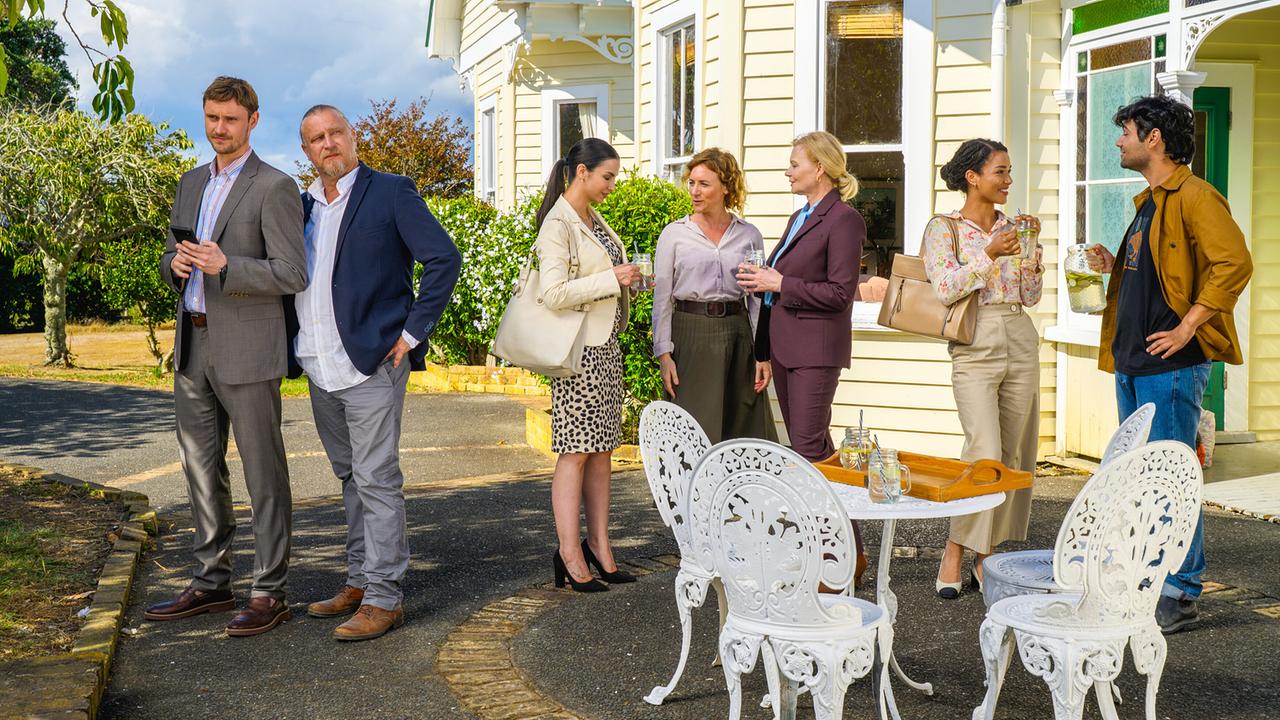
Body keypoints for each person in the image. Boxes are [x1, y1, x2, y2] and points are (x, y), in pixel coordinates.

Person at [290, 105, 461, 641]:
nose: (328, 144)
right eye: (316, 139)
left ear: (353, 136)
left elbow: (443, 258)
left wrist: (411, 335)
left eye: (335, 133)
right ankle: (360, 580)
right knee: (350, 479)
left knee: (377, 480)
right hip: (318, 364)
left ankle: (386, 597)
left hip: (371, 365)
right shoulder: (300, 208)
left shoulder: (390, 192)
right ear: (307, 151)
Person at [146, 76, 307, 636]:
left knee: (264, 472)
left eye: (230, 119)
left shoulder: (275, 186)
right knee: (199, 467)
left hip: (248, 347)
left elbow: (293, 273)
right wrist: (177, 266)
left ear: (253, 121)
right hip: (191, 344)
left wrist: (226, 267)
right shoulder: (191, 182)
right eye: (212, 117)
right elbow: (172, 251)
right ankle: (212, 582)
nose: (219, 128)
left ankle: (270, 591)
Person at [1087, 95, 1252, 633]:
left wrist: (1188, 326)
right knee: (1138, 477)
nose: (1118, 140)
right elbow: (1161, 272)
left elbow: (1235, 263)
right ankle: (1147, 578)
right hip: (1134, 361)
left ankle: (1180, 590)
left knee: (1171, 477)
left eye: (1126, 131)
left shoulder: (1196, 196)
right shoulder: (1149, 201)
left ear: (1153, 138)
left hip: (1173, 362)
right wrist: (1116, 266)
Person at [735, 130, 867, 583]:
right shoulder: (798, 217)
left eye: (794, 164)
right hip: (787, 349)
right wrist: (764, 347)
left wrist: (778, 283)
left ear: (821, 168)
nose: (787, 171)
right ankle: (850, 550)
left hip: (816, 350)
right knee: (816, 448)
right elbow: (778, 287)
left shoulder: (844, 219)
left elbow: (839, 293)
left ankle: (829, 559)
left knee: (808, 449)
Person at [924, 139, 1044, 600]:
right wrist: (989, 253)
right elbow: (946, 289)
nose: (1008, 180)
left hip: (1019, 332)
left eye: (1009, 171)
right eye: (1000, 172)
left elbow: (1030, 295)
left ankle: (988, 552)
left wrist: (1033, 260)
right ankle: (955, 548)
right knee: (984, 449)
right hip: (975, 339)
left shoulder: (1015, 227)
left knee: (1014, 453)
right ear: (972, 177)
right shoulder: (944, 229)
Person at [535, 138, 643, 593]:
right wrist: (611, 278)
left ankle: (600, 546)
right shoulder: (556, 224)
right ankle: (569, 552)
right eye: (608, 177)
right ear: (582, 172)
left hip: (606, 350)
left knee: (602, 451)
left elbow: (605, 279)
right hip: (578, 354)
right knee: (575, 452)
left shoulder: (592, 218)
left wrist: (630, 283)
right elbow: (553, 293)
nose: (612, 186)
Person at [652, 148, 776, 443]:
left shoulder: (749, 235)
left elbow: (757, 301)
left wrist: (763, 354)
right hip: (690, 335)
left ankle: (740, 490)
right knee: (693, 430)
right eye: (692, 183)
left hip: (737, 335)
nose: (694, 191)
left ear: (726, 187)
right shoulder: (674, 234)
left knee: (742, 429)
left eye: (704, 184)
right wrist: (664, 354)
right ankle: (691, 491)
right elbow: (662, 300)